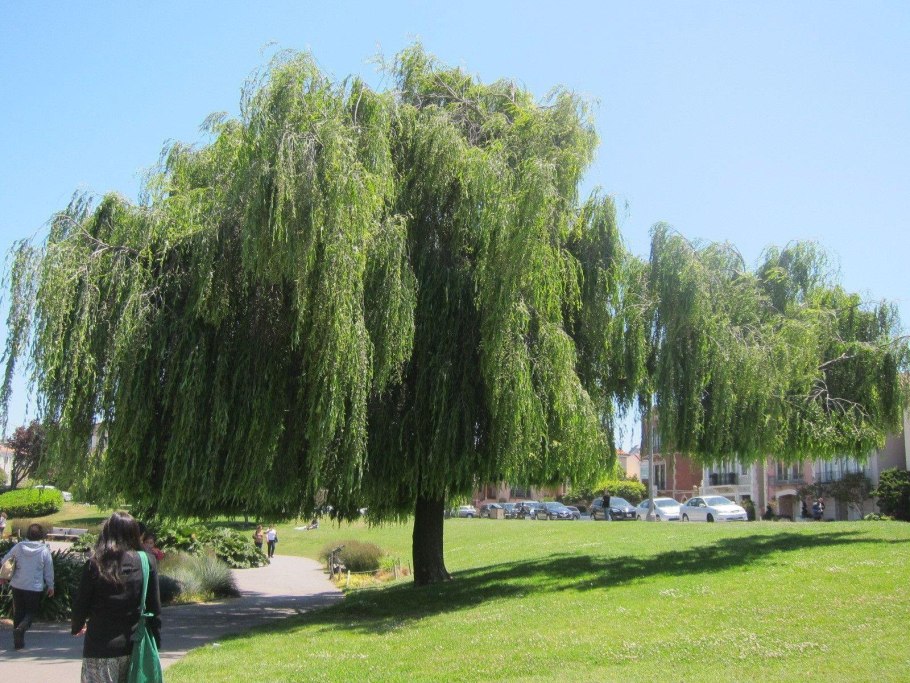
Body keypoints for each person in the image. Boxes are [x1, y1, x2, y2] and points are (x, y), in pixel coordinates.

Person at [72, 511, 161, 682]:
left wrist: (77, 625)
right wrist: (155, 640)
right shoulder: (147, 561)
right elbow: (154, 606)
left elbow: (81, 602)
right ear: (135, 533)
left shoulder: (95, 563)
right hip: (134, 644)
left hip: (100, 646)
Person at [0, 523, 54, 650]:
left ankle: (18, 642)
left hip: (17, 584)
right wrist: (50, 585)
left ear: (28, 534)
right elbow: (48, 570)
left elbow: (5, 560)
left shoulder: (19, 547)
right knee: (31, 612)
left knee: (18, 611)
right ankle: (21, 629)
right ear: (41, 535)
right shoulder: (44, 550)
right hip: (34, 586)